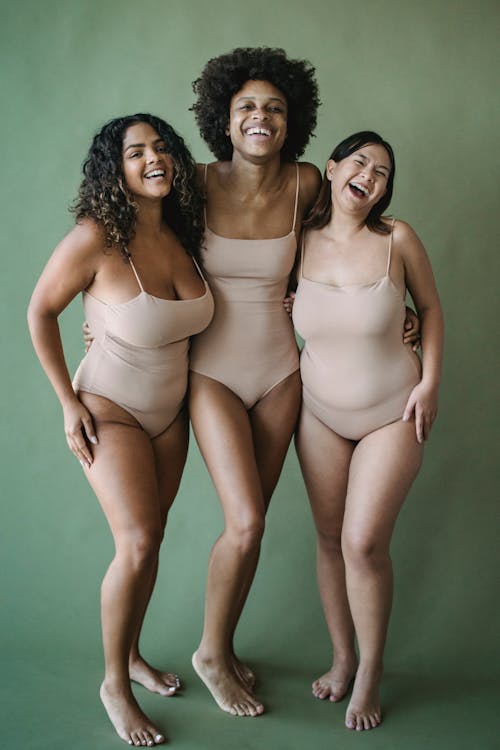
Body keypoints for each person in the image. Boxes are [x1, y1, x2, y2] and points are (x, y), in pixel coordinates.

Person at [188, 49, 420, 718]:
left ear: (294, 122)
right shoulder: (194, 183)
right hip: (213, 372)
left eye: (275, 107)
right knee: (247, 520)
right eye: (247, 107)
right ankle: (210, 653)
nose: (261, 117)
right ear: (224, 119)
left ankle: (227, 649)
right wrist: (104, 320)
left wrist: (397, 313)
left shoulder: (308, 185)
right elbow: (135, 242)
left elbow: (346, 251)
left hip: (284, 375)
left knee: (253, 530)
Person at [28, 114, 214, 747]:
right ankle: (113, 683)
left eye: (162, 147)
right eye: (136, 153)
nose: (154, 158)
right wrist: (65, 402)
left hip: (171, 414)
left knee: (152, 541)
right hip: (110, 407)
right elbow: (41, 310)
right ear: (115, 169)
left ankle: (132, 653)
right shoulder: (96, 237)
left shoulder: (185, 233)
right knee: (136, 542)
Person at [292, 131, 443, 731]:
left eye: (382, 172)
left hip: (393, 412)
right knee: (329, 540)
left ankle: (372, 673)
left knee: (362, 544)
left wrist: (430, 382)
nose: (371, 177)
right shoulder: (295, 243)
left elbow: (429, 309)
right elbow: (248, 295)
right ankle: (342, 658)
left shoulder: (397, 238)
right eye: (360, 163)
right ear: (331, 171)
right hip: (318, 413)